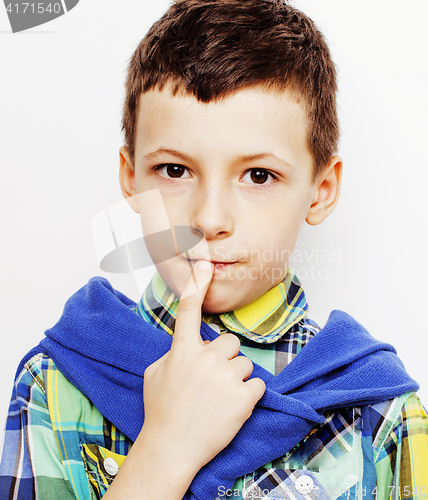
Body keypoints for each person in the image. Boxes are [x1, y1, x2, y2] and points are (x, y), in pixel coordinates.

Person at [1, 1, 427, 499]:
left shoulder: (380, 414)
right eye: (175, 170)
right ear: (131, 177)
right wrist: (164, 448)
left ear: (321, 189)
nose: (209, 219)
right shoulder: (57, 383)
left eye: (259, 176)